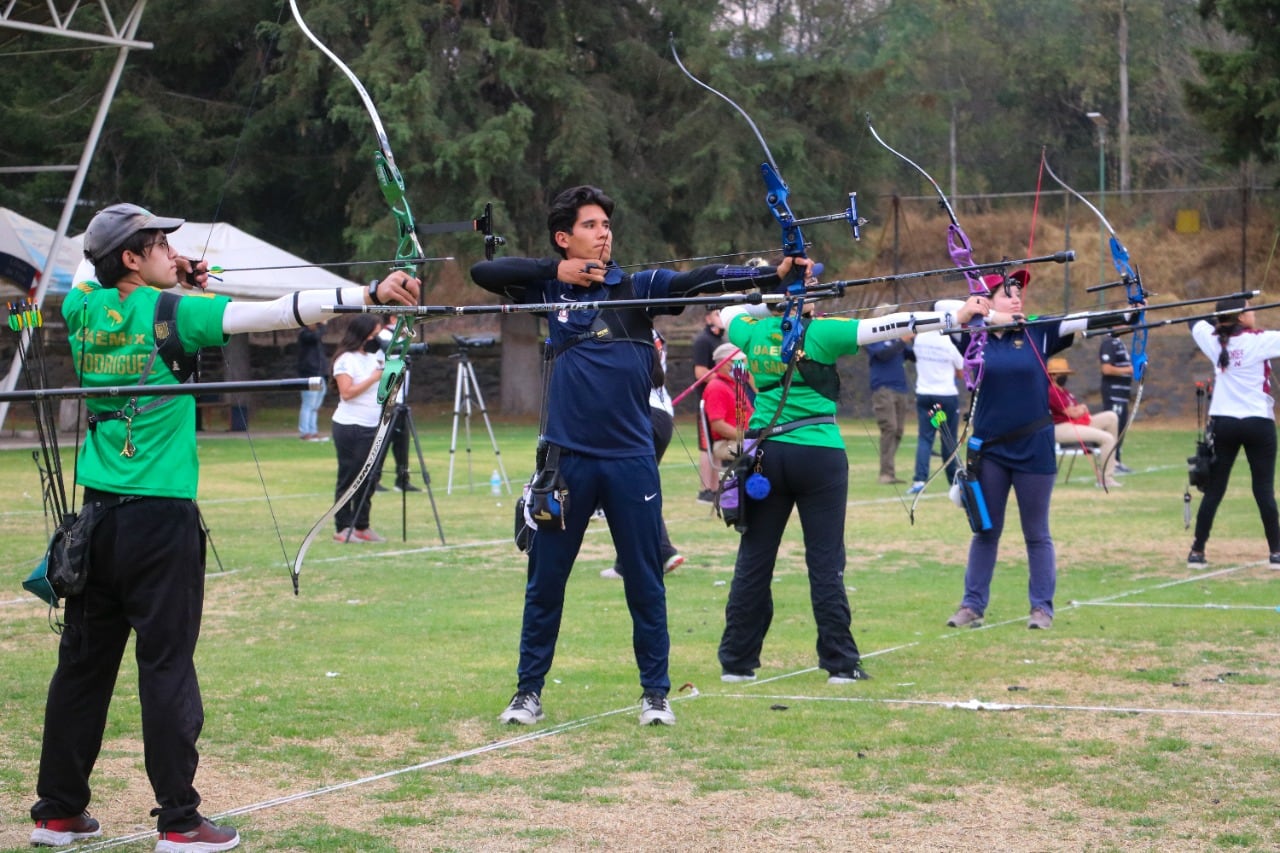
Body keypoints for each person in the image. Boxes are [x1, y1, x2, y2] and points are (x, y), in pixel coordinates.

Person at [30, 203, 419, 851]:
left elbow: (90, 273)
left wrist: (167, 270)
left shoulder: (81, 309)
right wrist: (367, 294)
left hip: (95, 522)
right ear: (132, 258)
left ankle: (57, 812)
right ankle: (180, 823)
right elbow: (274, 313)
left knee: (82, 668)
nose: (171, 251)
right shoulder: (175, 314)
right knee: (166, 668)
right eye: (159, 243)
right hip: (160, 522)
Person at [470, 185, 803, 727]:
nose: (603, 232)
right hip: (565, 464)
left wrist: (770, 276)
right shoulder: (547, 288)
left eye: (606, 224)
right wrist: (557, 272)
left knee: (646, 582)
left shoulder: (638, 288)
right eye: (591, 225)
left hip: (630, 461)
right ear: (564, 238)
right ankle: (528, 691)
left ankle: (655, 694)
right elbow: (483, 273)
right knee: (545, 582)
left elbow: (698, 280)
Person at [716, 287, 958, 684]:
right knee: (826, 562)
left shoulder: (752, 331)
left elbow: (729, 311)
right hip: (818, 454)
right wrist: (953, 317)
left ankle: (736, 663)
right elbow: (890, 326)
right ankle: (840, 664)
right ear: (804, 301)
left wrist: (769, 296)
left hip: (766, 456)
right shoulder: (823, 332)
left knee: (754, 560)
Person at [945, 270, 1107, 632]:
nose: (1017, 298)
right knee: (986, 530)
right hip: (990, 451)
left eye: (1019, 293)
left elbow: (1083, 321)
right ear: (987, 300)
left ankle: (1041, 609)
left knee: (1036, 532)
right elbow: (943, 313)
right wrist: (981, 315)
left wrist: (1128, 313)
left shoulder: (1038, 330)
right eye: (1008, 293)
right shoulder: (972, 336)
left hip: (1033, 447)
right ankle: (972, 605)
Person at [1186, 297, 1280, 569]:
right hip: (1258, 423)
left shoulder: (1213, 339)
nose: (1254, 313)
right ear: (1240, 317)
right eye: (1249, 309)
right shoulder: (1260, 339)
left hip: (1224, 422)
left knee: (1214, 489)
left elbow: (1194, 322)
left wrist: (1218, 317)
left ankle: (1197, 551)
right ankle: (1276, 552)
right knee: (1263, 489)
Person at [601, 327, 685, 579]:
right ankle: (630, 561)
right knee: (634, 489)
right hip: (660, 416)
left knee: (625, 490)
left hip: (638, 415)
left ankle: (660, 551)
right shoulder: (647, 331)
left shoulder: (618, 330)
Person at [330, 314, 393, 543]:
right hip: (350, 426)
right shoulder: (346, 359)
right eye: (373, 335)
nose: (376, 339)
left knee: (370, 477)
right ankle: (342, 526)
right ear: (362, 334)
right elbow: (347, 393)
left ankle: (361, 525)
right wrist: (374, 377)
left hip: (372, 424)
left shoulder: (374, 357)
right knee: (350, 476)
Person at [907, 302, 965, 494]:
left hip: (925, 395)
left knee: (925, 438)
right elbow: (961, 370)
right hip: (946, 396)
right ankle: (953, 480)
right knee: (948, 438)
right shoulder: (947, 341)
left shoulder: (920, 338)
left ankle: (919, 480)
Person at [1046, 356, 1121, 488]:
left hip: (1076, 423)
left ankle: (1110, 459)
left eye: (1065, 373)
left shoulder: (1065, 392)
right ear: (1053, 375)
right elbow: (1072, 413)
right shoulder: (1052, 392)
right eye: (1062, 374)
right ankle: (1106, 479)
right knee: (1107, 438)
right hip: (1061, 428)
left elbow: (1076, 410)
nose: (1065, 376)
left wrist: (1080, 409)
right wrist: (1081, 409)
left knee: (1111, 417)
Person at [371, 319, 421, 493]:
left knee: (402, 441)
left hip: (400, 397)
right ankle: (373, 479)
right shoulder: (384, 336)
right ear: (393, 319)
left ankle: (402, 479)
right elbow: (382, 358)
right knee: (383, 440)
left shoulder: (401, 337)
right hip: (388, 396)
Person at [866, 314, 915, 484]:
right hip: (883, 389)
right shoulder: (873, 337)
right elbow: (882, 354)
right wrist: (902, 340)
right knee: (890, 428)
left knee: (899, 430)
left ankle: (889, 471)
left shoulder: (897, 339)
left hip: (901, 389)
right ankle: (885, 474)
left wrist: (916, 340)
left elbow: (913, 356)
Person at [691, 307, 726, 503]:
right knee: (707, 447)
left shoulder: (722, 340)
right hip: (707, 401)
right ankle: (705, 490)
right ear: (708, 318)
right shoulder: (703, 341)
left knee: (718, 445)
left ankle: (716, 488)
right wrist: (724, 381)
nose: (721, 318)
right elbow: (700, 372)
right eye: (717, 314)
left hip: (721, 401)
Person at [703, 340, 755, 465]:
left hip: (741, 440)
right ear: (723, 363)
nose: (742, 365)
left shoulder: (734, 385)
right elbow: (718, 425)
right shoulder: (716, 387)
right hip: (728, 443)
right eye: (737, 361)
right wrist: (747, 437)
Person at [1098, 332, 1134, 473]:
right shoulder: (1109, 343)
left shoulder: (1119, 343)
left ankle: (1116, 460)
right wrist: (1129, 369)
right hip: (1114, 394)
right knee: (1113, 428)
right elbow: (1106, 369)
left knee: (1120, 428)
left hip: (1122, 395)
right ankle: (1110, 462)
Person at [296, 322, 329, 441]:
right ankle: (305, 432)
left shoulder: (316, 336)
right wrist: (323, 326)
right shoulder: (304, 334)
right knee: (308, 404)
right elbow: (315, 336)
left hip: (320, 374)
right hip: (309, 374)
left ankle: (313, 431)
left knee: (315, 406)